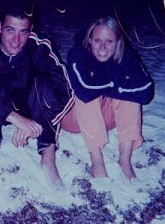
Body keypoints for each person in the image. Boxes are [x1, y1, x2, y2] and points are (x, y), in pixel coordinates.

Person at [0, 2, 74, 189]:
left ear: (31, 30)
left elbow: (66, 91)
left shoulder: (40, 47)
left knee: (45, 82)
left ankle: (48, 154)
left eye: (23, 32)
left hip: (31, 109)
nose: (16, 40)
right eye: (10, 30)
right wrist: (13, 117)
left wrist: (36, 125)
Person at [61, 16, 154, 180]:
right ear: (89, 40)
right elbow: (84, 90)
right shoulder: (78, 53)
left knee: (130, 97)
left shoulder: (127, 54)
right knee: (91, 95)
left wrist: (112, 87)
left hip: (105, 119)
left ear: (118, 41)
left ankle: (125, 160)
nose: (102, 47)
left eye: (109, 41)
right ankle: (96, 159)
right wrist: (117, 83)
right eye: (97, 40)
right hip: (74, 119)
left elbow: (146, 91)